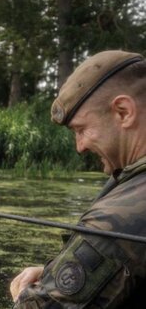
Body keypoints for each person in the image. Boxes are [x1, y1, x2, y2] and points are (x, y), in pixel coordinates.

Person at [10, 50, 146, 308]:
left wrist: (24, 295)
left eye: (81, 130)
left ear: (123, 112)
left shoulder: (121, 216)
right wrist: (54, 274)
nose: (80, 147)